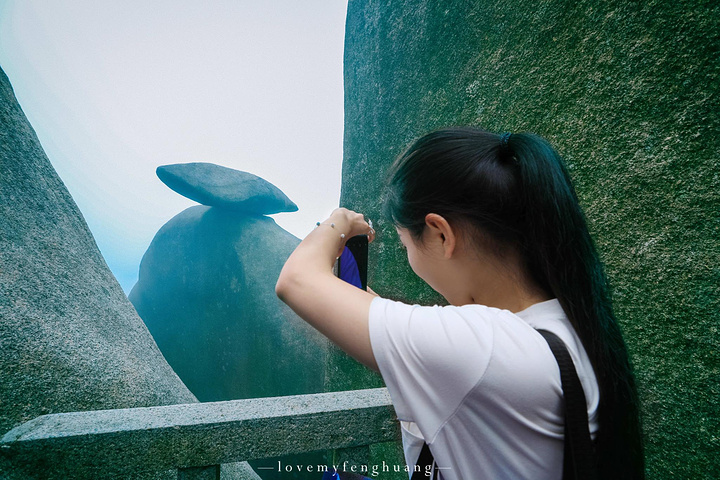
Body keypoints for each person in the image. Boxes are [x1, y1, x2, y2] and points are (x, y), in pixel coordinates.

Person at [275, 127, 644, 479]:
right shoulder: (564, 324)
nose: (410, 258)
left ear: (440, 234)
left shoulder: (483, 349)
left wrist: (338, 221)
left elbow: (296, 280)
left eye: (406, 246)